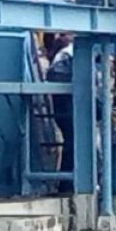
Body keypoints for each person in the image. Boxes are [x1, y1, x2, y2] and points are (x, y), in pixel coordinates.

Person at [45, 34, 75, 192]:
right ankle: (68, 183)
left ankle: (68, 182)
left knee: (71, 143)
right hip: (69, 106)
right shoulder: (68, 54)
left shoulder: (62, 56)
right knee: (73, 143)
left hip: (63, 106)